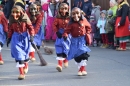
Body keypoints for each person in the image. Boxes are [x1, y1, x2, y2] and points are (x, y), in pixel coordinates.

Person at [7, 5, 35, 80]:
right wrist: (9, 38)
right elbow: (10, 30)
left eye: (17, 12)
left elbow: (31, 27)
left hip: (25, 38)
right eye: (13, 12)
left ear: (21, 12)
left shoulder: (25, 19)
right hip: (16, 39)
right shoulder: (12, 20)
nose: (15, 14)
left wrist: (31, 36)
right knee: (19, 56)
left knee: (25, 55)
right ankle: (21, 73)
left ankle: (26, 64)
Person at [63, 7, 91, 76]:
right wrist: (65, 35)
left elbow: (88, 27)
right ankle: (82, 69)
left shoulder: (84, 20)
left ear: (80, 13)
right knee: (77, 56)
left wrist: (87, 33)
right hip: (74, 41)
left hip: (82, 40)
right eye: (73, 14)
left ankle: (81, 69)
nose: (76, 15)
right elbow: (67, 31)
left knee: (83, 54)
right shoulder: (71, 23)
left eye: (77, 13)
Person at [53, 3, 70, 72]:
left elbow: (71, 26)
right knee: (59, 47)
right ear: (59, 10)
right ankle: (59, 65)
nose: (63, 11)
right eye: (62, 9)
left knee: (66, 48)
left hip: (67, 34)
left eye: (65, 9)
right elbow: (54, 25)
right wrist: (57, 32)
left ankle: (65, 60)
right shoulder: (57, 18)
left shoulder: (69, 18)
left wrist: (67, 33)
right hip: (60, 33)